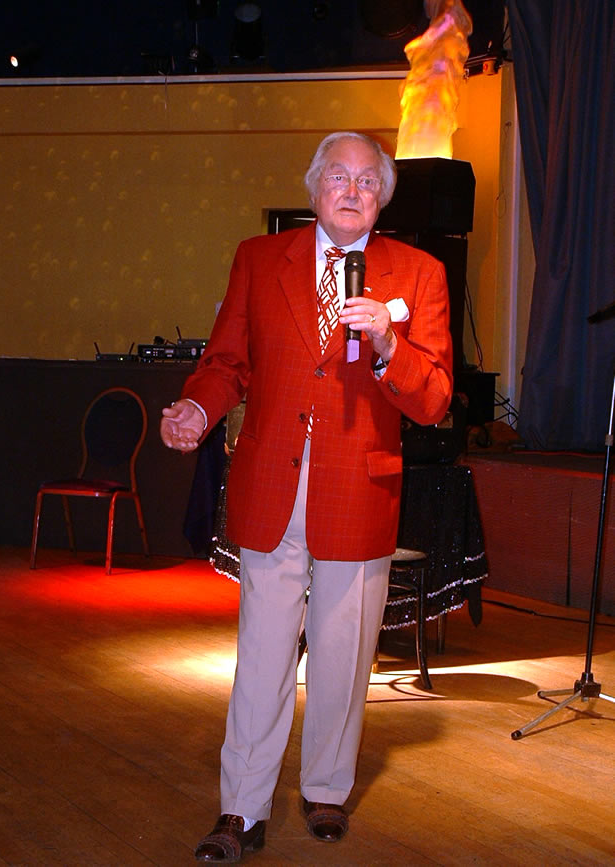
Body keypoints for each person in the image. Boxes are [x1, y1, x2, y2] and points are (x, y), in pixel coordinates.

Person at [160, 131, 453, 862]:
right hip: (273, 483)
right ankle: (241, 808)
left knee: (344, 653)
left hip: (359, 486)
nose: (352, 189)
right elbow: (227, 361)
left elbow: (436, 399)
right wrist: (199, 406)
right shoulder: (261, 259)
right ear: (314, 185)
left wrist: (389, 343)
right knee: (261, 653)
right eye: (338, 176)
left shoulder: (418, 273)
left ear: (382, 196)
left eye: (366, 180)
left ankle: (326, 786)